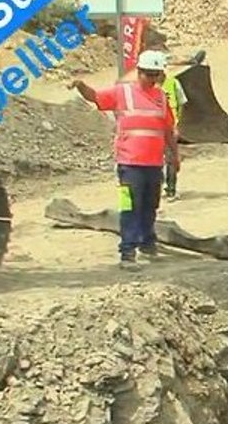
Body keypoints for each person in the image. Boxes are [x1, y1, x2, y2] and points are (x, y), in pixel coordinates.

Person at [69, 50, 180, 270]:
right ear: (139, 72)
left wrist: (174, 155)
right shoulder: (123, 93)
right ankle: (127, 252)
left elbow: (168, 129)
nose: (151, 79)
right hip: (129, 164)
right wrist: (81, 86)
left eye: (155, 75)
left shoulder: (160, 98)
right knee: (130, 207)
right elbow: (96, 97)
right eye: (148, 74)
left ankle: (148, 244)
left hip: (154, 164)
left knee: (150, 206)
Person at [160, 68, 188, 200]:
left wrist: (177, 122)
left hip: (170, 126)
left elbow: (181, 103)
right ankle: (162, 188)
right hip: (155, 126)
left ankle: (170, 188)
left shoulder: (173, 83)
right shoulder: (149, 84)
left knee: (170, 159)